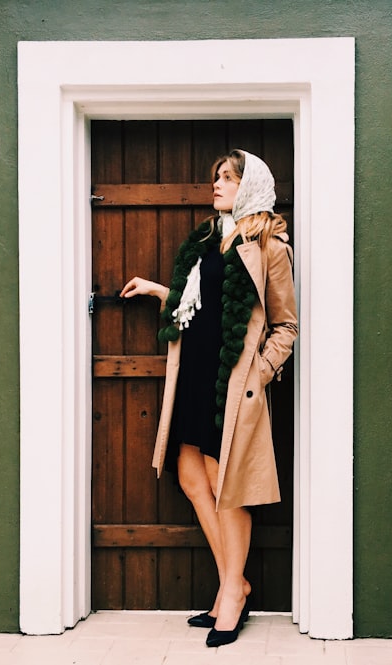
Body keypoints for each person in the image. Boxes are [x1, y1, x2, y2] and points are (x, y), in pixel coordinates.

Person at [120, 149, 297, 647]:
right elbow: (195, 303)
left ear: (251, 185)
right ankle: (234, 581)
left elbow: (285, 325)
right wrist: (160, 291)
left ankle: (231, 597)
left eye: (227, 177)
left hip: (231, 382)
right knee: (191, 475)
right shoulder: (206, 239)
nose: (216, 185)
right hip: (193, 372)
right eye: (216, 177)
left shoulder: (268, 245)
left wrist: (260, 374)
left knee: (226, 486)